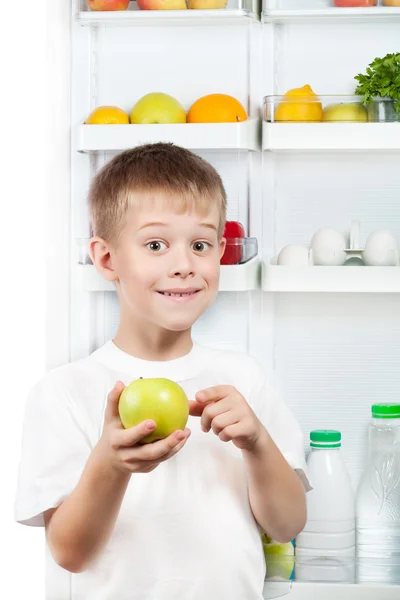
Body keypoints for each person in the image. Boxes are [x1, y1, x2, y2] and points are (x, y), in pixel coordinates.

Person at [14, 143, 309, 600]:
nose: (184, 266)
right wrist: (110, 466)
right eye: (156, 245)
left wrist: (257, 443)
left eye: (200, 244)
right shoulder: (64, 392)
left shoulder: (242, 379)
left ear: (221, 252)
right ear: (107, 259)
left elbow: (287, 523)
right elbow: (70, 553)